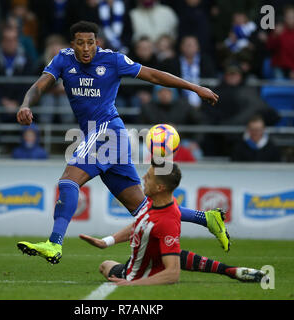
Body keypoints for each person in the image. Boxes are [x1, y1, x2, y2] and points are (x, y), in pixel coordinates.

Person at [16, 21, 226, 265]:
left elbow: (154, 75)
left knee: (68, 180)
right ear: (72, 44)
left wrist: (194, 87)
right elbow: (40, 85)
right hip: (103, 137)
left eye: (91, 42)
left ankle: (54, 243)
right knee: (144, 210)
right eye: (81, 43)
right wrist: (25, 104)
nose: (86, 48)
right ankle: (207, 218)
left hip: (106, 131)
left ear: (98, 43)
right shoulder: (62, 60)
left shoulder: (113, 60)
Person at [79, 162, 265, 285]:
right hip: (143, 262)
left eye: (149, 177)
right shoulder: (156, 201)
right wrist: (107, 242)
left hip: (134, 275)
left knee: (105, 266)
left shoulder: (167, 220)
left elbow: (173, 274)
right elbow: (142, 223)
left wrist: (133, 284)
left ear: (160, 187)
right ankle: (230, 270)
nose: (143, 178)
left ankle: (229, 269)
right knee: (171, 253)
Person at [265, 5, 294, 80]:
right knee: (279, 86)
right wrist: (275, 36)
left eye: (293, 17)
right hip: (278, 67)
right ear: (285, 18)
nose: (291, 20)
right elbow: (269, 47)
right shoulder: (279, 30)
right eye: (288, 17)